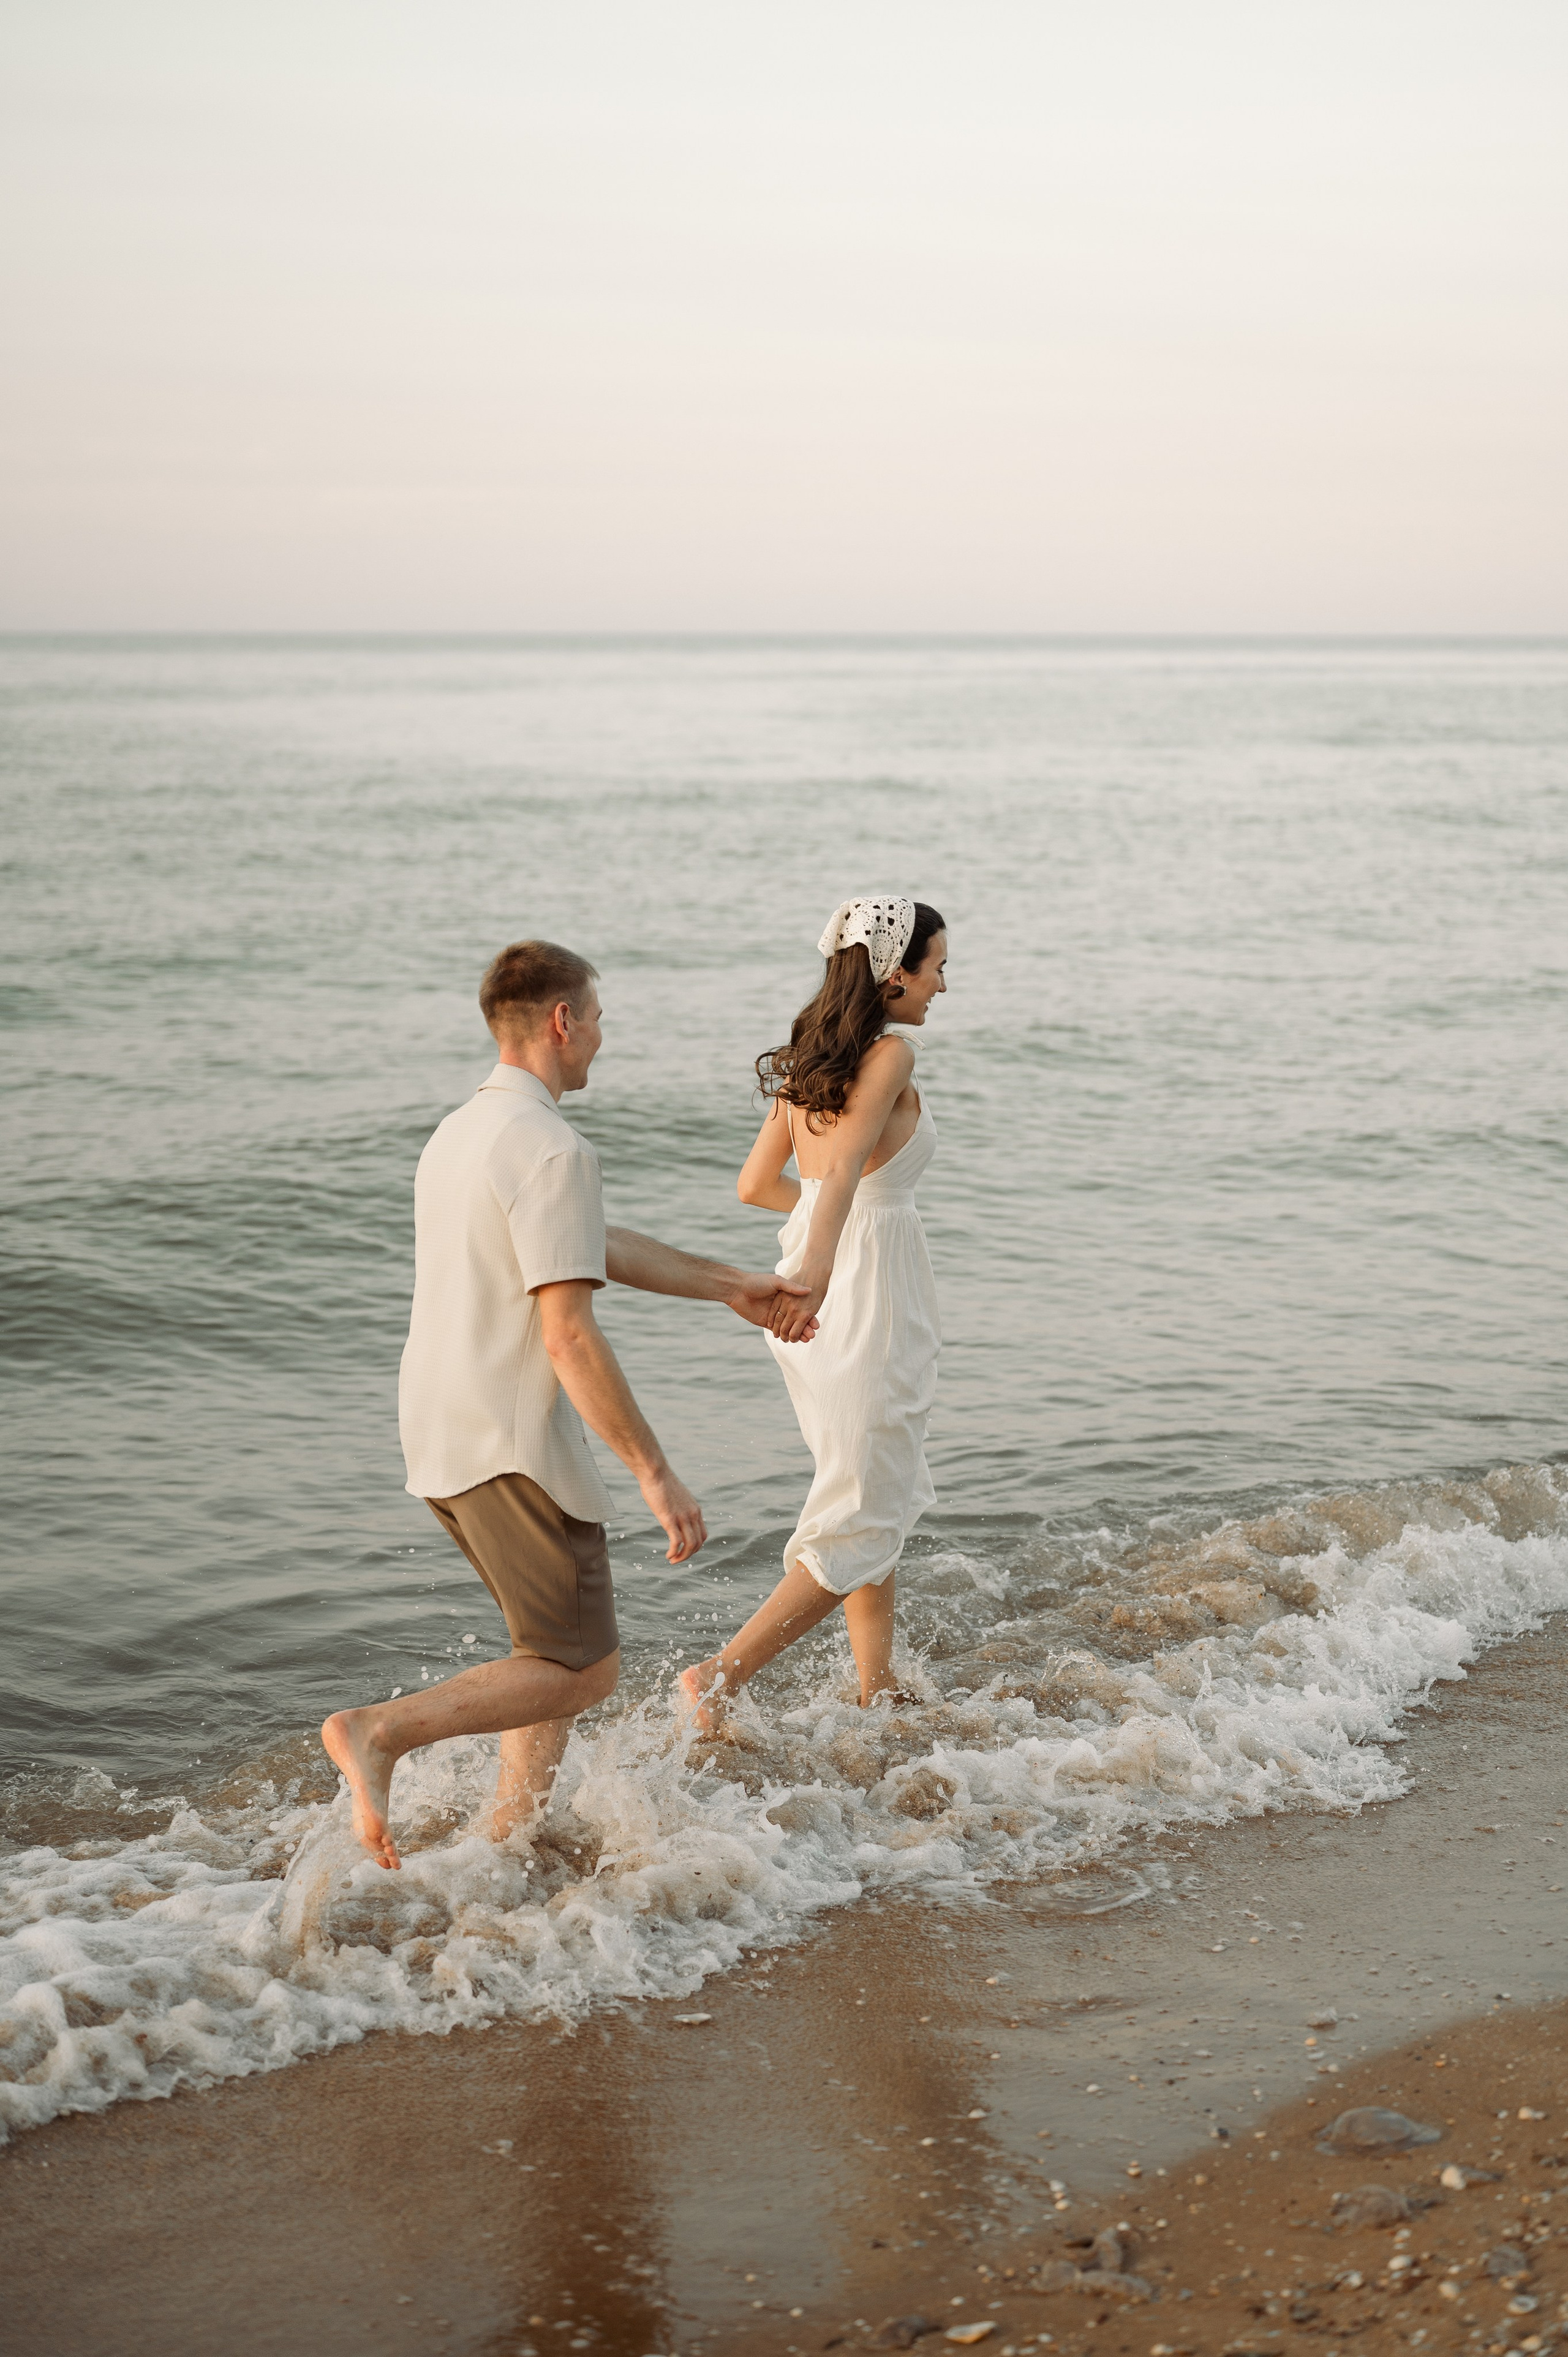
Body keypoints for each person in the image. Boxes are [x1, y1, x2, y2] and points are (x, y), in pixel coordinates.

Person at [322, 938, 815, 1870]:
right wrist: (655, 1474)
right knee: (585, 1669)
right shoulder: (553, 1146)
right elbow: (568, 1337)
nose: (600, 1038)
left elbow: (585, 1241)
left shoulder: (462, 1133)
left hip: (438, 1425)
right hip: (512, 1443)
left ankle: (509, 1839)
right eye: (596, 1019)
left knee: (544, 1649)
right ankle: (381, 1732)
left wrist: (730, 1286)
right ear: (562, 1021)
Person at [679, 896, 947, 1732]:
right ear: (895, 975)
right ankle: (719, 1678)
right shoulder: (893, 1055)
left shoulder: (809, 1064)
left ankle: (878, 1684)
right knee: (863, 1499)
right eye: (937, 969)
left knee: (870, 1488)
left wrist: (824, 1240)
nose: (943, 986)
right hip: (856, 1297)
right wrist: (824, 1272)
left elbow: (756, 1185)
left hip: (828, 1279)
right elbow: (848, 1170)